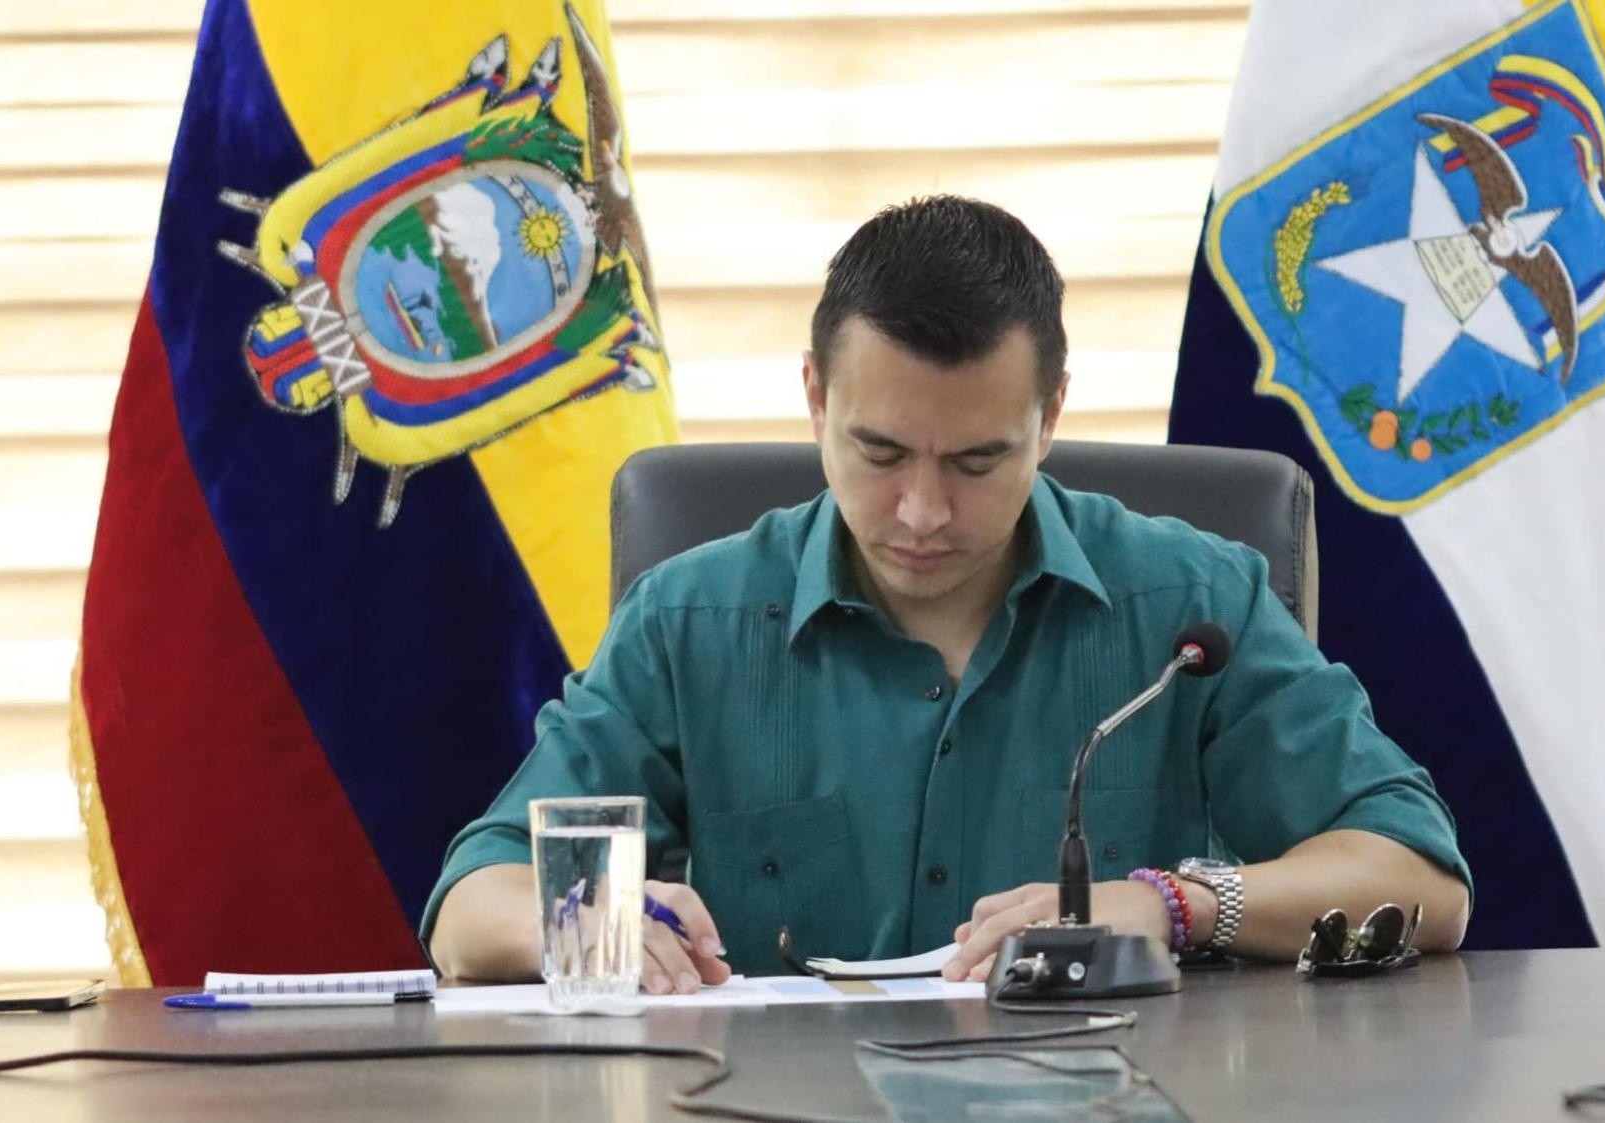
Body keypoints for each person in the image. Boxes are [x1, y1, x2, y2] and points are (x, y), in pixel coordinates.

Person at [424, 195, 1471, 993]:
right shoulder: (687, 621)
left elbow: (1420, 879)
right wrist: (598, 924)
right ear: (813, 398)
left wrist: (1170, 904)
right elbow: (471, 906)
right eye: (878, 451)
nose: (921, 510)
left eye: (975, 461)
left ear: (1050, 415)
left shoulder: (1191, 607)